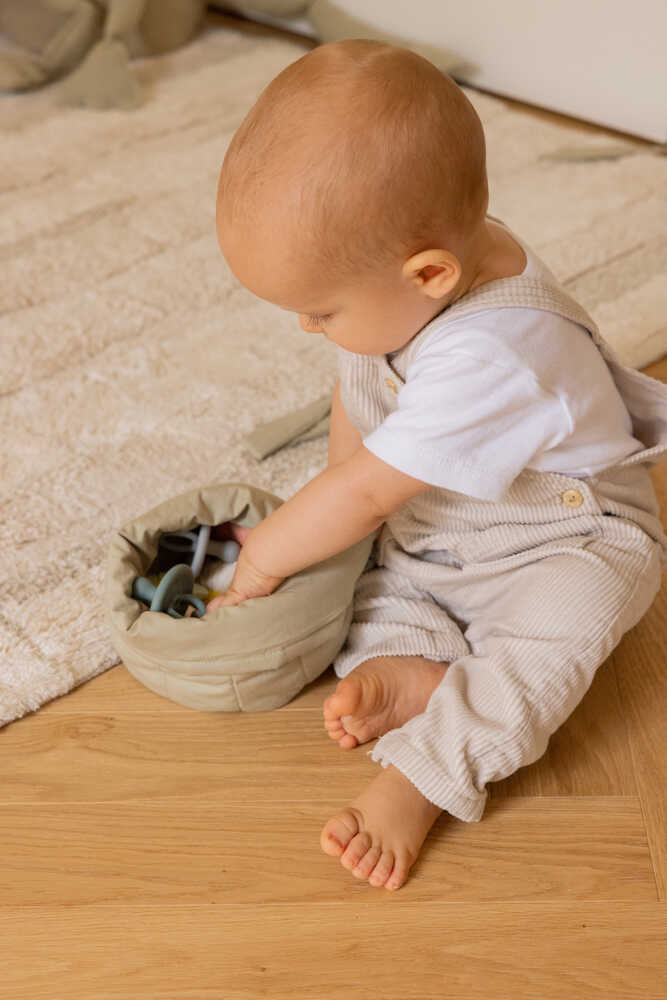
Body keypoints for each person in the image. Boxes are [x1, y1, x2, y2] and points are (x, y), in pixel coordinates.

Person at [206, 39, 667, 891]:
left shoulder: (498, 353)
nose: (311, 329)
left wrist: (266, 555)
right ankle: (419, 669)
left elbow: (372, 484)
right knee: (366, 589)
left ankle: (421, 776)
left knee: (547, 642)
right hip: (448, 526)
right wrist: (349, 532)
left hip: (565, 536)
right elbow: (361, 415)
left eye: (318, 311)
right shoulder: (421, 272)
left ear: (429, 274)